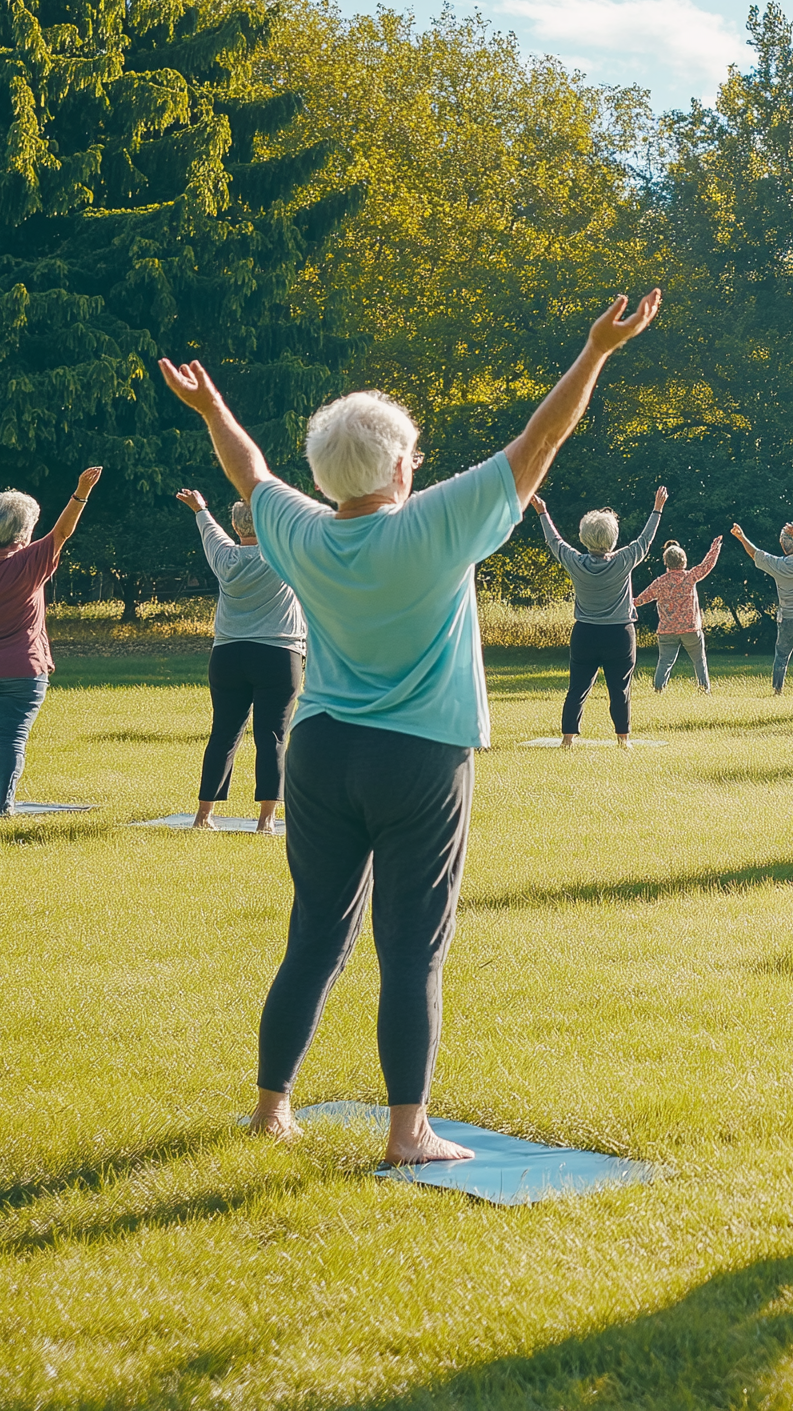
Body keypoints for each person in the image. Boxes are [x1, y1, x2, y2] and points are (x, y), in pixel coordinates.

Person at [160, 289, 660, 1164]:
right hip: (419, 760)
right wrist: (594, 354)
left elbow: (248, 474)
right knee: (411, 946)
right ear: (400, 472)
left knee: (314, 931)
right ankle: (408, 1134)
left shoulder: (297, 532)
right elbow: (538, 444)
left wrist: (212, 406)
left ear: (326, 476)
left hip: (318, 751)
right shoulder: (435, 523)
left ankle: (272, 1107)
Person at [0, 467, 102, 818]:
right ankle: (4, 809)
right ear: (23, 533)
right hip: (23, 671)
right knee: (11, 739)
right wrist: (81, 492)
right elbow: (63, 532)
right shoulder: (30, 563)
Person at [176, 488, 307, 830]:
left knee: (223, 734)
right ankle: (266, 820)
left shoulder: (225, 558)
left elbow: (210, 531)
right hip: (279, 655)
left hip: (228, 655)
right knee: (273, 736)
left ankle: (203, 815)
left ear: (236, 528)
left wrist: (200, 508)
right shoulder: (282, 556)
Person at [532, 486, 664, 745]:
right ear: (613, 538)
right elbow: (645, 540)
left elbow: (555, 542)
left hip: (585, 633)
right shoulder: (624, 560)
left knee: (577, 688)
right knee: (620, 689)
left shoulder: (575, 562)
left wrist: (542, 512)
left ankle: (568, 738)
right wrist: (657, 508)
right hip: (620, 634)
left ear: (584, 537)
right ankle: (623, 740)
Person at [733, 521, 793, 697]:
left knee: (782, 655)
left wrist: (741, 536)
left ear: (783, 547)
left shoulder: (777, 565)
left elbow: (755, 554)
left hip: (787, 617)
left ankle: (777, 689)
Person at [635, 537, 722, 694]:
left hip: (667, 630)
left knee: (664, 662)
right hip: (691, 629)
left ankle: (658, 690)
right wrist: (715, 548)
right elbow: (707, 565)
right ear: (684, 561)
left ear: (666, 562)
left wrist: (626, 601)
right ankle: (704, 689)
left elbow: (641, 599)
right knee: (699, 660)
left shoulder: (660, 582)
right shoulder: (690, 577)